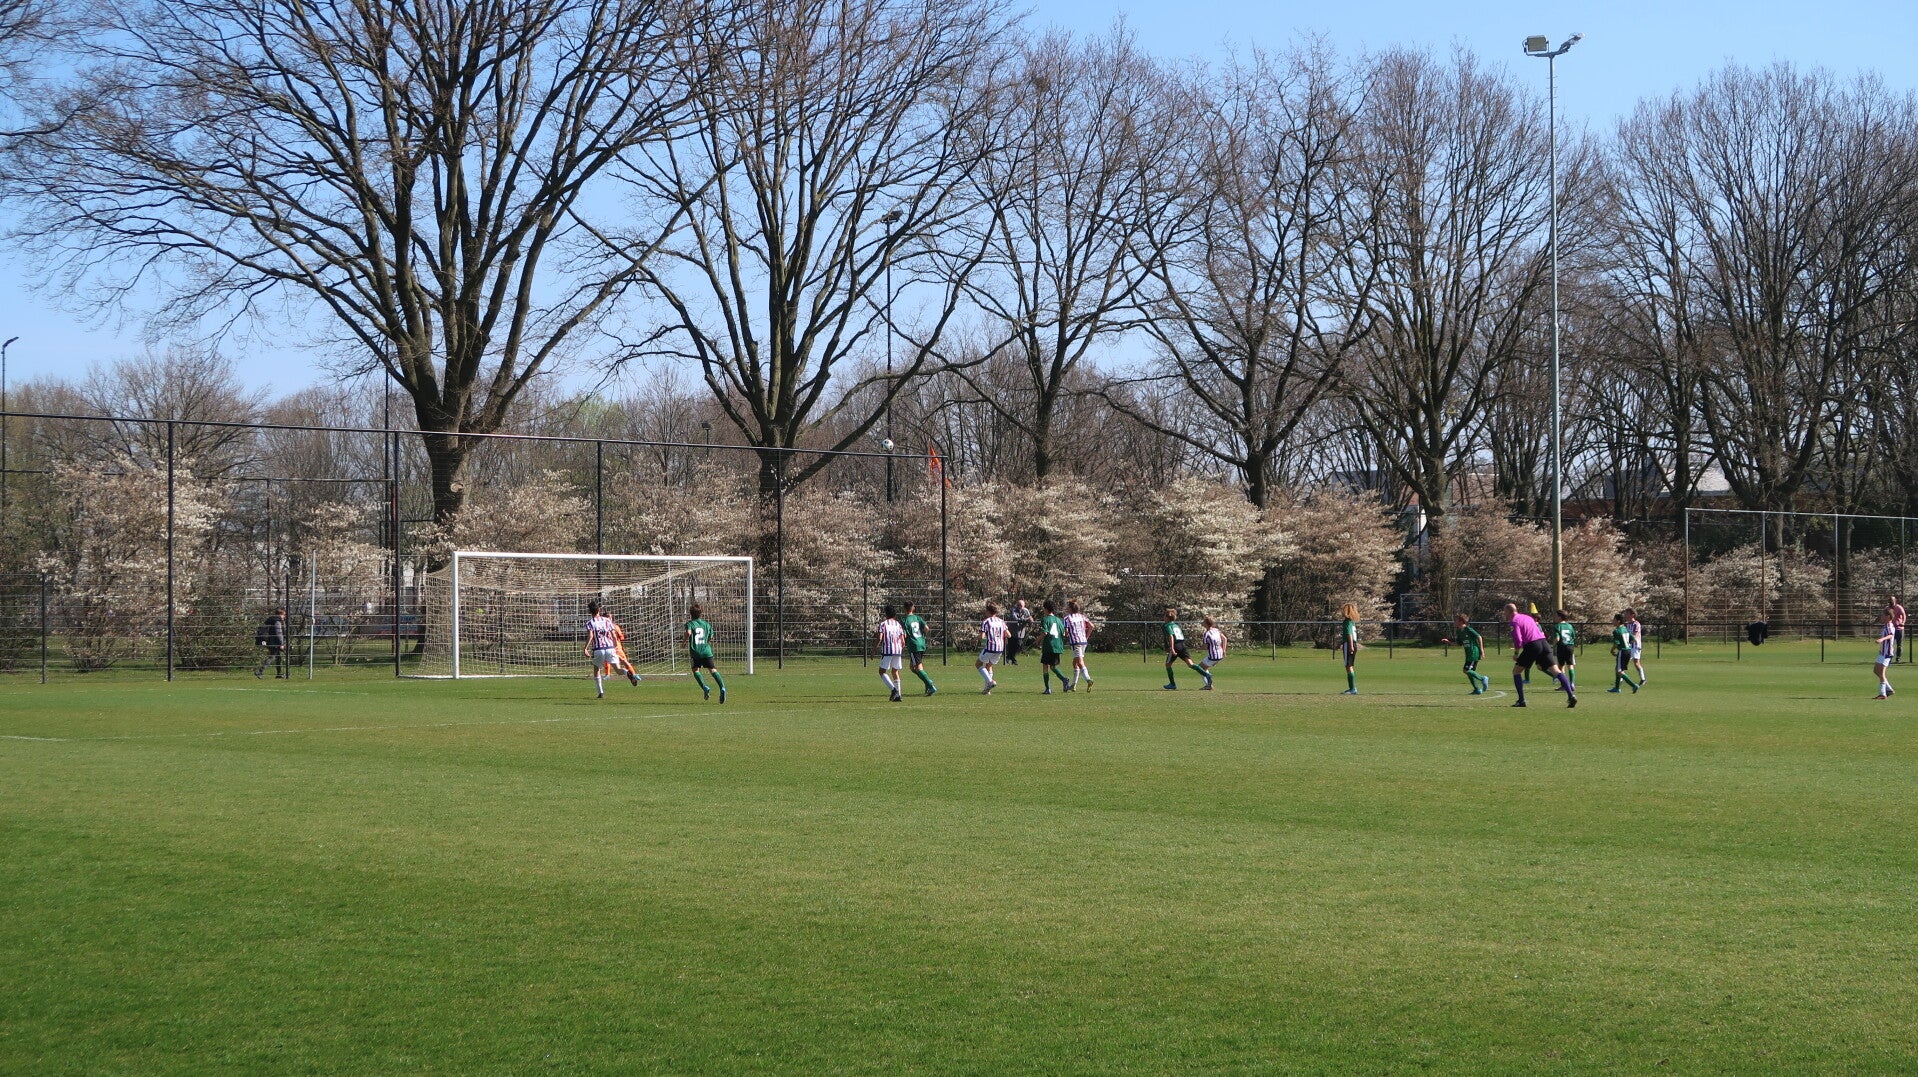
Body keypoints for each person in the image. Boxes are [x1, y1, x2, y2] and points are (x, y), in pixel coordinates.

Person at [1502, 602, 1575, 709]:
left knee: (1516, 671)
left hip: (1532, 645)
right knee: (1556, 670)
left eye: (1505, 612)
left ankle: (1521, 700)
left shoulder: (1514, 621)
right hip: (1544, 643)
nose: (1504, 614)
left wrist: (1516, 653)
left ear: (1509, 611)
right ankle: (1571, 696)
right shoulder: (1527, 617)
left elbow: (1518, 640)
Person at [584, 600, 637, 699]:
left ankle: (601, 692)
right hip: (610, 648)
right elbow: (613, 635)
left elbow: (591, 636)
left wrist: (585, 648)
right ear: (599, 610)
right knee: (618, 670)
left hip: (598, 649)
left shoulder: (590, 623)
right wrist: (615, 646)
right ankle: (628, 673)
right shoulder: (607, 620)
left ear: (590, 611)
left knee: (597, 669)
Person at [1439, 614, 1491, 695]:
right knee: (1470, 672)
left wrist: (1482, 650)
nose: (1454, 622)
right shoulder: (1459, 631)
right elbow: (1458, 644)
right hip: (1468, 655)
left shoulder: (1468, 629)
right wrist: (1448, 642)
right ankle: (1477, 690)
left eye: (1456, 620)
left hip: (1474, 653)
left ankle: (1483, 678)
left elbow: (1479, 637)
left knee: (1466, 670)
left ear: (1461, 621)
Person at [683, 602, 725, 703]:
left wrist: (684, 642)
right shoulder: (706, 624)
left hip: (695, 652)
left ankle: (705, 687)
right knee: (713, 670)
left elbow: (688, 632)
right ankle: (722, 687)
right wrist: (706, 642)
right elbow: (711, 636)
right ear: (700, 614)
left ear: (691, 614)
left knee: (696, 670)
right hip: (706, 651)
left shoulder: (690, 624)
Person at [1163, 607, 1207, 690]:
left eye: (1165, 616)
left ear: (1167, 618)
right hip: (1182, 645)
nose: (1164, 618)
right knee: (1191, 664)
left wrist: (1172, 648)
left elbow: (1171, 636)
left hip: (1175, 646)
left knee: (1168, 665)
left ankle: (1172, 684)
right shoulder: (1176, 625)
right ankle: (1207, 675)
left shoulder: (1167, 625)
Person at [900, 601, 936, 696]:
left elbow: (904, 634)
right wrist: (922, 636)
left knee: (917, 667)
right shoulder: (918, 618)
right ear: (913, 608)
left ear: (904, 609)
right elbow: (927, 628)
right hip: (921, 643)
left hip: (914, 645)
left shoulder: (904, 620)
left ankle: (929, 684)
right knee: (913, 667)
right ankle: (927, 683)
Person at [1037, 599, 1072, 694]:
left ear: (1046, 609)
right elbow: (1064, 633)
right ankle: (1064, 679)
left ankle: (1048, 688)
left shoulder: (1045, 619)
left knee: (1045, 666)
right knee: (1052, 666)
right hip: (1058, 646)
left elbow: (1045, 632)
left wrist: (1038, 640)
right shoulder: (1058, 620)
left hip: (1049, 646)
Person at [876, 605, 907, 702]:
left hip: (888, 650)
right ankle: (899, 696)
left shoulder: (883, 624)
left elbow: (880, 638)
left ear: (886, 613)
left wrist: (873, 649)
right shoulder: (898, 624)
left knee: (882, 671)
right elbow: (903, 641)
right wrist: (899, 649)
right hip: (897, 650)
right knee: (895, 671)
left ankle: (893, 690)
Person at [977, 602, 1009, 694]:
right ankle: (987, 690)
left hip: (990, 647)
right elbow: (1009, 635)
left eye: (986, 610)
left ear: (988, 611)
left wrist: (974, 639)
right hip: (1000, 648)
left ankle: (990, 681)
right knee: (989, 666)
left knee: (978, 664)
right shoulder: (1001, 621)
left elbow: (982, 636)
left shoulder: (986, 621)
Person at [1064, 600, 1096, 691]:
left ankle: (1088, 679)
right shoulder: (1082, 616)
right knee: (1075, 663)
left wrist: (1065, 634)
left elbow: (1066, 632)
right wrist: (1086, 636)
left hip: (1076, 643)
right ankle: (1073, 685)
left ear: (1070, 608)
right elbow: (1091, 626)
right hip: (1083, 642)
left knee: (1080, 662)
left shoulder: (1067, 618)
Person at [1606, 613, 1641, 694]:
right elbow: (1634, 639)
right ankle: (1617, 688)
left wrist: (1612, 650)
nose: (1613, 621)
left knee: (1619, 671)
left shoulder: (1616, 631)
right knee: (1618, 669)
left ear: (1618, 621)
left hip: (1622, 651)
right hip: (1628, 651)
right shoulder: (1625, 629)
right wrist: (1628, 644)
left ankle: (1633, 685)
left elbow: (1616, 643)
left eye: (1614, 620)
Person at [254, 607, 288, 679]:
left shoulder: (271, 620)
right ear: (280, 614)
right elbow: (279, 633)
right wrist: (281, 644)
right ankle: (259, 671)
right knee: (272, 657)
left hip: (270, 641)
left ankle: (279, 673)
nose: (284, 616)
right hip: (275, 642)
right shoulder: (277, 622)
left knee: (278, 657)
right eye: (284, 615)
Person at [1197, 616, 1227, 690]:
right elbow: (1225, 639)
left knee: (1200, 668)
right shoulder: (1216, 630)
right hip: (1220, 654)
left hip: (1213, 656)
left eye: (1203, 621)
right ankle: (1209, 684)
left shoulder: (1206, 634)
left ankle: (1209, 685)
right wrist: (1224, 650)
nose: (1202, 622)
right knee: (1204, 668)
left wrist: (1197, 649)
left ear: (1206, 624)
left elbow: (1204, 647)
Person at [1552, 609, 1577, 692]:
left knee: (1561, 666)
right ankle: (1572, 684)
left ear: (1560, 617)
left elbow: (1557, 638)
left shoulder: (1557, 626)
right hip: (1570, 646)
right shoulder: (1570, 626)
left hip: (1561, 647)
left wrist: (1552, 646)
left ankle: (1564, 685)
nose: (1555, 617)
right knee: (1570, 665)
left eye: (1556, 616)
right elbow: (1573, 636)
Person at [1338, 602, 1361, 695]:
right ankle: (1352, 688)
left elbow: (1349, 634)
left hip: (1349, 644)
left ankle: (1352, 689)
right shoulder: (1352, 622)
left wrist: (1350, 646)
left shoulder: (1347, 622)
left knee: (1348, 666)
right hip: (1352, 644)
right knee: (1349, 665)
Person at [1875, 611, 1897, 700]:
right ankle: (1889, 689)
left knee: (1882, 673)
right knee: (1876, 671)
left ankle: (1882, 694)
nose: (1882, 617)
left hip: (1887, 653)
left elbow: (1891, 635)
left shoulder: (1889, 626)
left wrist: (1881, 639)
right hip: (1882, 652)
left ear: (1888, 616)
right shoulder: (1886, 625)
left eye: (1883, 615)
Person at [1004, 598, 1032, 665]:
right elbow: (1015, 619)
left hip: (1021, 632)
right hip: (1012, 631)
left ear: (1024, 606)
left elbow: (1030, 618)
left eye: (1021, 605)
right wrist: (1026, 619)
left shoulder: (1026, 610)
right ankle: (1013, 659)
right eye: (1018, 605)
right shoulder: (1013, 610)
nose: (1019, 607)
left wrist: (1030, 620)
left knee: (1018, 645)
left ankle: (1009, 657)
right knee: (1011, 646)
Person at [1625, 608, 1648, 685]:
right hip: (1628, 646)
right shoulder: (1627, 624)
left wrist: (1628, 641)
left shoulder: (1636, 624)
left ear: (1632, 615)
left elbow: (1635, 635)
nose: (1625, 615)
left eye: (1627, 613)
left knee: (1636, 663)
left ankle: (1643, 679)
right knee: (1624, 662)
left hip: (1635, 646)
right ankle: (1620, 680)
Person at [1889, 596, 1906, 661]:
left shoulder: (1899, 607)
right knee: (1890, 644)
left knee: (1899, 644)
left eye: (1892, 600)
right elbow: (1882, 615)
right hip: (1891, 629)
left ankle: (1898, 658)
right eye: (1890, 600)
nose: (1890, 601)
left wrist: (1903, 622)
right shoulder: (1888, 608)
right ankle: (1889, 657)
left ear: (1895, 600)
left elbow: (1904, 615)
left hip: (1899, 628)